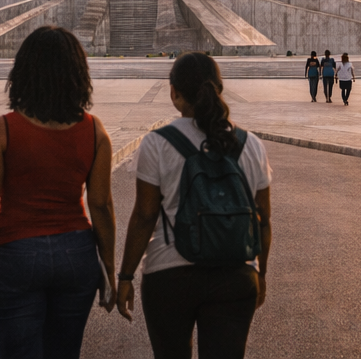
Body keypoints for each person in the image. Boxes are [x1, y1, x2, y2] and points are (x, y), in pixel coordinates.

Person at [0, 26, 116, 358]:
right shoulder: (94, 131)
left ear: (22, 73)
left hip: (15, 252)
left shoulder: (2, 130)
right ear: (78, 75)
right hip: (76, 254)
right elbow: (100, 205)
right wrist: (111, 268)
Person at [116, 52, 273, 359]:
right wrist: (260, 274)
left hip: (169, 274)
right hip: (236, 272)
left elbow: (146, 214)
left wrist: (125, 276)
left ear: (174, 93)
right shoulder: (251, 144)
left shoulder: (157, 143)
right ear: (219, 89)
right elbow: (263, 219)